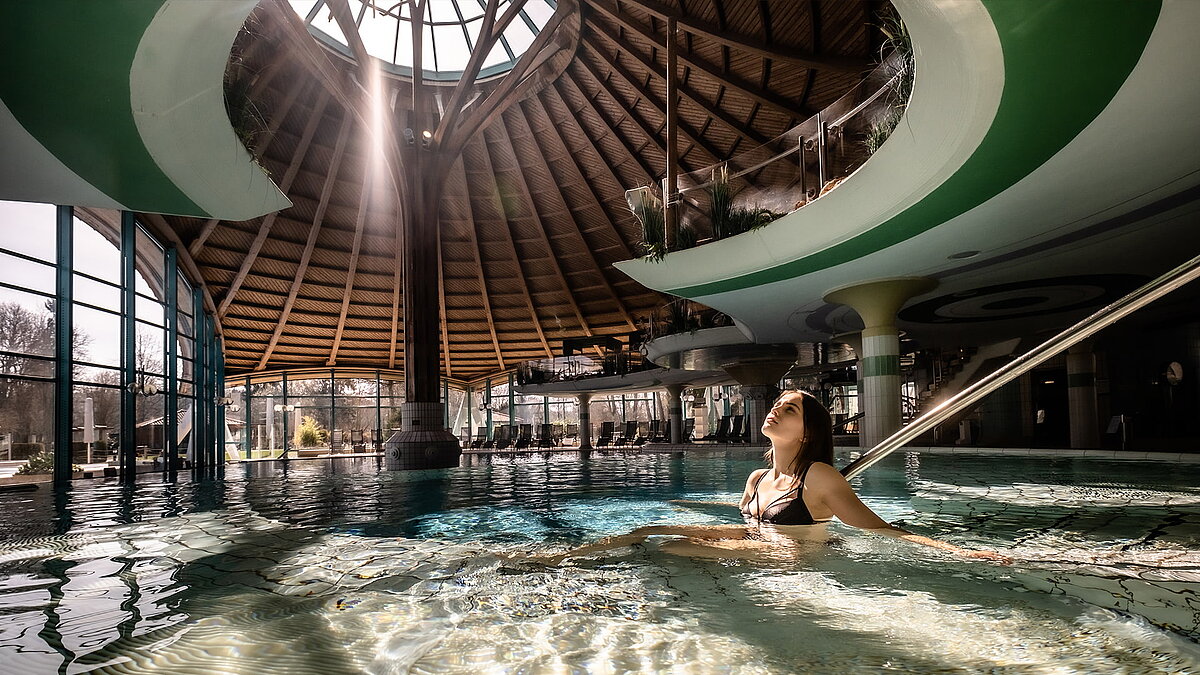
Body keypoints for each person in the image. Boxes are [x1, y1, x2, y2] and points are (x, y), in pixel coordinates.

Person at [537, 390, 1009, 564]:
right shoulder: (758, 477)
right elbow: (746, 519)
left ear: (808, 433)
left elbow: (880, 528)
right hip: (754, 539)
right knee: (647, 529)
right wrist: (692, 512)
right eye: (780, 403)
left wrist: (961, 552)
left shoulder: (820, 477)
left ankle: (585, 575)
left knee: (667, 547)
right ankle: (555, 560)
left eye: (792, 408)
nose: (778, 408)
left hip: (793, 556)